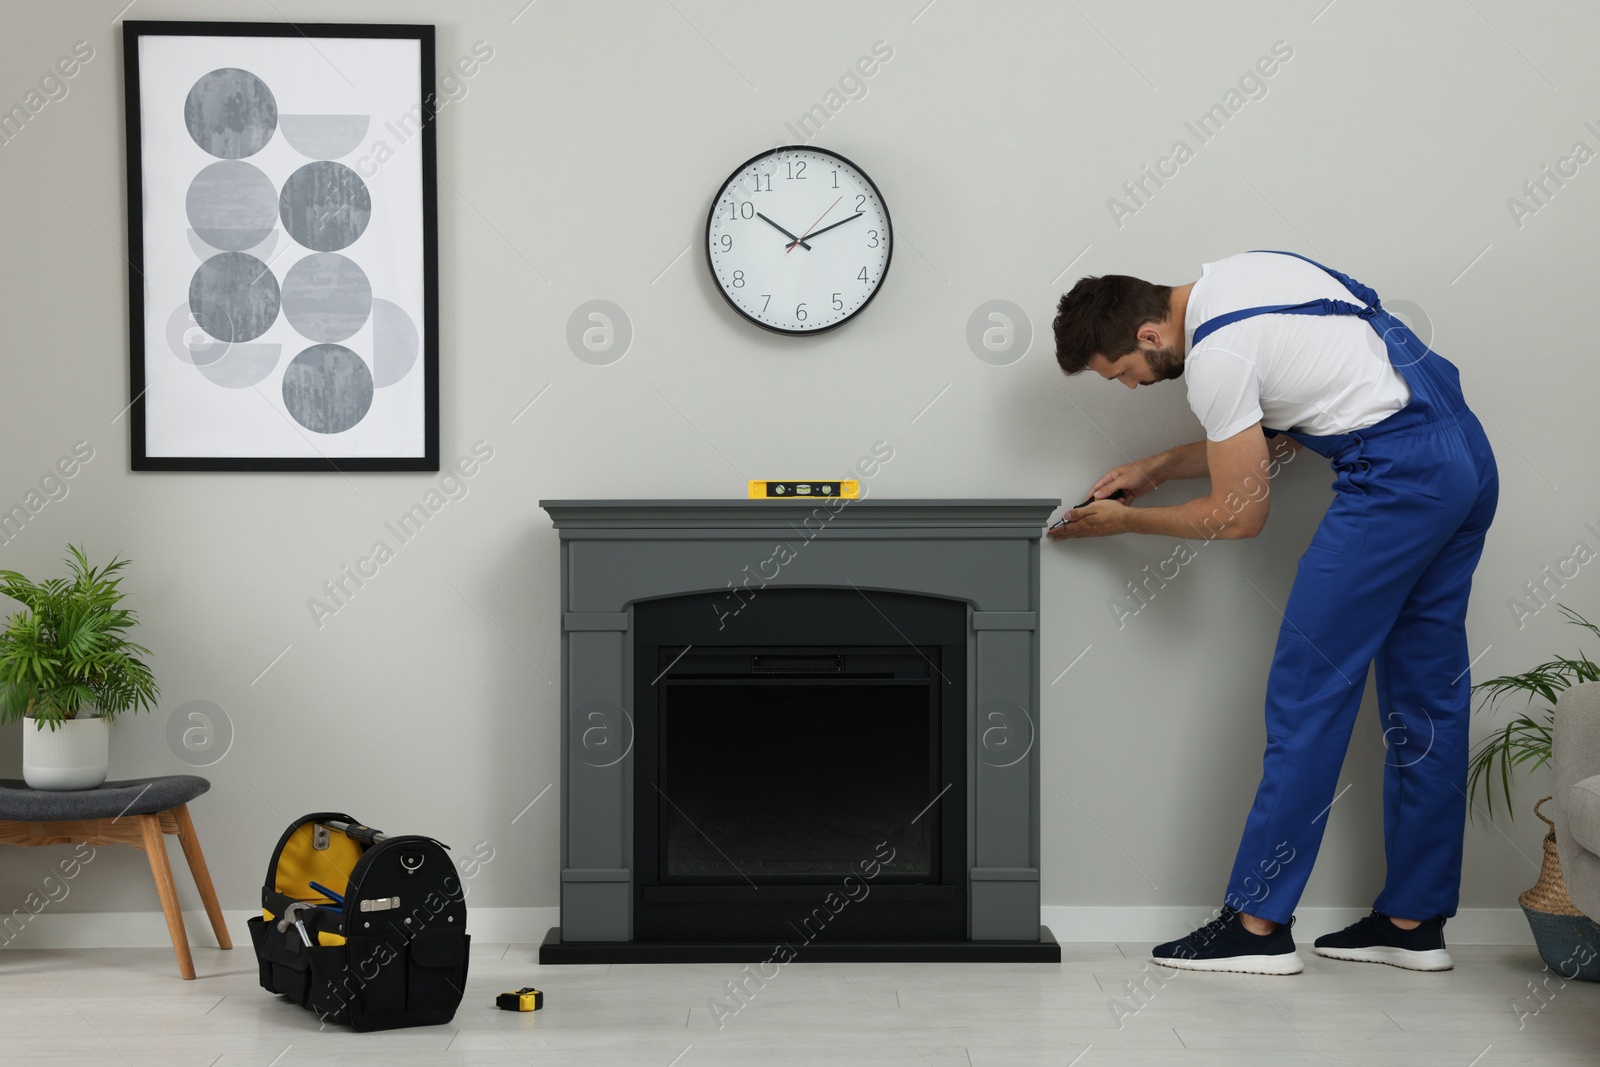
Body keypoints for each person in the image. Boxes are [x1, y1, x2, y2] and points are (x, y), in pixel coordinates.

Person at [1049, 250, 1498, 975]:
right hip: (1464, 459)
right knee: (1427, 695)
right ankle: (1414, 919)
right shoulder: (1248, 272)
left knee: (1307, 692)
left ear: (1149, 336)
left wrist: (1126, 524)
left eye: (1121, 373)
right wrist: (1156, 469)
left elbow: (1239, 513)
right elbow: (1286, 424)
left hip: (1396, 483)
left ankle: (1257, 925)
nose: (1130, 387)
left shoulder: (1218, 354)